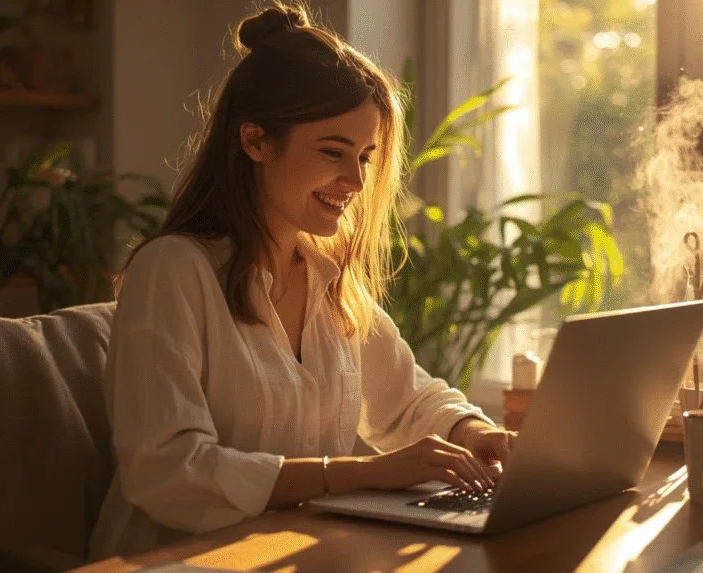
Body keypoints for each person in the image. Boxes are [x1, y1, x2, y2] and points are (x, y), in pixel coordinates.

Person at [89, 2, 517, 559]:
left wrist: (473, 432)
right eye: (333, 152)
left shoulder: (328, 280)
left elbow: (407, 398)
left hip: (291, 552)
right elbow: (168, 471)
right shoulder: (172, 271)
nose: (355, 181)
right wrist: (359, 473)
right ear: (255, 142)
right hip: (172, 562)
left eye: (365, 157)